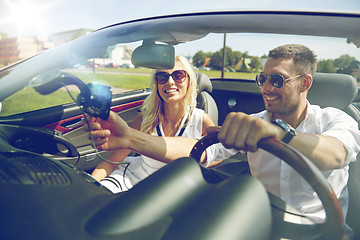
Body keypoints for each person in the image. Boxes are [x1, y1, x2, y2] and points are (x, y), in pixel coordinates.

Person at [88, 44, 360, 232]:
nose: (266, 88)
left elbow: (336, 152)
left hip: (322, 229)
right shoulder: (254, 121)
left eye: (277, 80)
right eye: (262, 78)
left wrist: (279, 134)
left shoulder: (335, 119)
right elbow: (200, 150)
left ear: (305, 83)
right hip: (259, 220)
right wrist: (131, 139)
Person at [90, 55, 230, 193]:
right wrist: (89, 185)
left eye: (178, 75)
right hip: (133, 179)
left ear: (189, 82)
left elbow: (216, 154)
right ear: (156, 85)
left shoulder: (201, 119)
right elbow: (112, 162)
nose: (169, 82)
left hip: (175, 187)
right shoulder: (144, 119)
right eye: (162, 77)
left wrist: (197, 165)